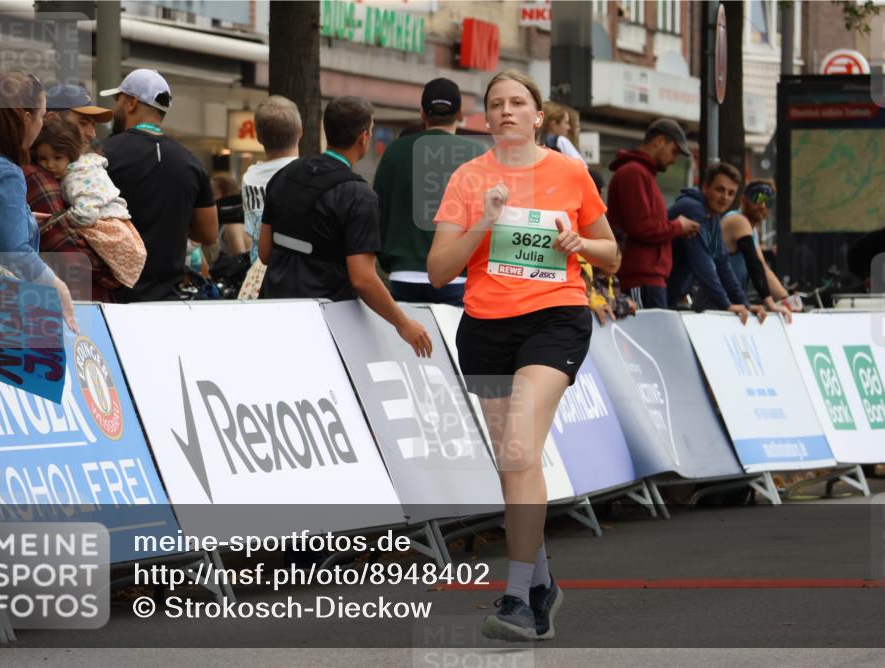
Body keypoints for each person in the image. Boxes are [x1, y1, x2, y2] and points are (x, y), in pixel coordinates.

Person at [429, 70, 619, 641]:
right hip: (486, 328)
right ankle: (541, 586)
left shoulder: (569, 172)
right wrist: (484, 221)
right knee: (513, 463)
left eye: (518, 102)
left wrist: (580, 244)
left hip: (554, 320)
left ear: (538, 116)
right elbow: (438, 271)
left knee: (517, 450)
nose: (506, 111)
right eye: (496, 104)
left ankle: (515, 599)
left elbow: (611, 254)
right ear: (486, 118)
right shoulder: (468, 178)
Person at [258, 95, 432, 358]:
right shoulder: (359, 195)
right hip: (324, 326)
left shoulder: (285, 174)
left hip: (274, 315)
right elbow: (363, 279)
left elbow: (265, 252)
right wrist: (403, 324)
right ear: (364, 137)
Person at [0, 71, 77, 332]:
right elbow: (16, 253)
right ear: (26, 118)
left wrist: (24, 219)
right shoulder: (5, 173)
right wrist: (58, 286)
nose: (42, 124)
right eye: (41, 116)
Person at [101, 69, 218, 302]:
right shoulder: (190, 162)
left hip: (113, 298)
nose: (115, 108)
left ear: (132, 103)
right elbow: (209, 233)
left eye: (118, 100)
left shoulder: (104, 155)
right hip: (167, 301)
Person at [374, 77, 486, 305]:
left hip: (404, 274)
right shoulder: (477, 153)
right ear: (460, 114)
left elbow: (376, 212)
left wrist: (386, 259)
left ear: (423, 113)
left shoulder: (395, 151)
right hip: (459, 275)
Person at [27, 82, 118, 302]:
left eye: (93, 125)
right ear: (51, 120)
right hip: (64, 302)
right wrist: (115, 268)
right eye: (83, 123)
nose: (92, 133)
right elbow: (68, 253)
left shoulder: (78, 171)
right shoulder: (40, 176)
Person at [31, 116, 146, 289]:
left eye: (57, 157)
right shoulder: (84, 166)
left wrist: (61, 220)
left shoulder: (76, 178)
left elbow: (86, 214)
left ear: (71, 155)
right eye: (43, 159)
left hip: (108, 226)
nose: (50, 165)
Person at [606, 118, 700, 309]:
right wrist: (677, 226)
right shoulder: (633, 173)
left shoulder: (641, 173)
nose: (674, 159)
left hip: (648, 278)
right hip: (640, 278)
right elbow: (641, 227)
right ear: (659, 141)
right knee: (649, 329)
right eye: (674, 151)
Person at [666, 162, 765, 324]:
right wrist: (726, 304)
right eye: (720, 190)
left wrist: (744, 303)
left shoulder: (712, 217)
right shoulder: (693, 209)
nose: (725, 197)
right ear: (706, 187)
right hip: (649, 288)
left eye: (731, 193)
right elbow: (702, 263)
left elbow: (722, 264)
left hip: (669, 294)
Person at [721, 179, 795, 319]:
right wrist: (771, 303)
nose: (763, 205)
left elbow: (763, 269)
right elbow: (753, 263)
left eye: (768, 202)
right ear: (743, 200)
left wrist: (787, 301)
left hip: (732, 308)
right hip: (715, 306)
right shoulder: (737, 220)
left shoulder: (752, 231)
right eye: (758, 198)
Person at [242, 96, 302, 264]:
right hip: (296, 269)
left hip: (258, 269)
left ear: (259, 137)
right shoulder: (305, 175)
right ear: (300, 131)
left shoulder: (249, 177)